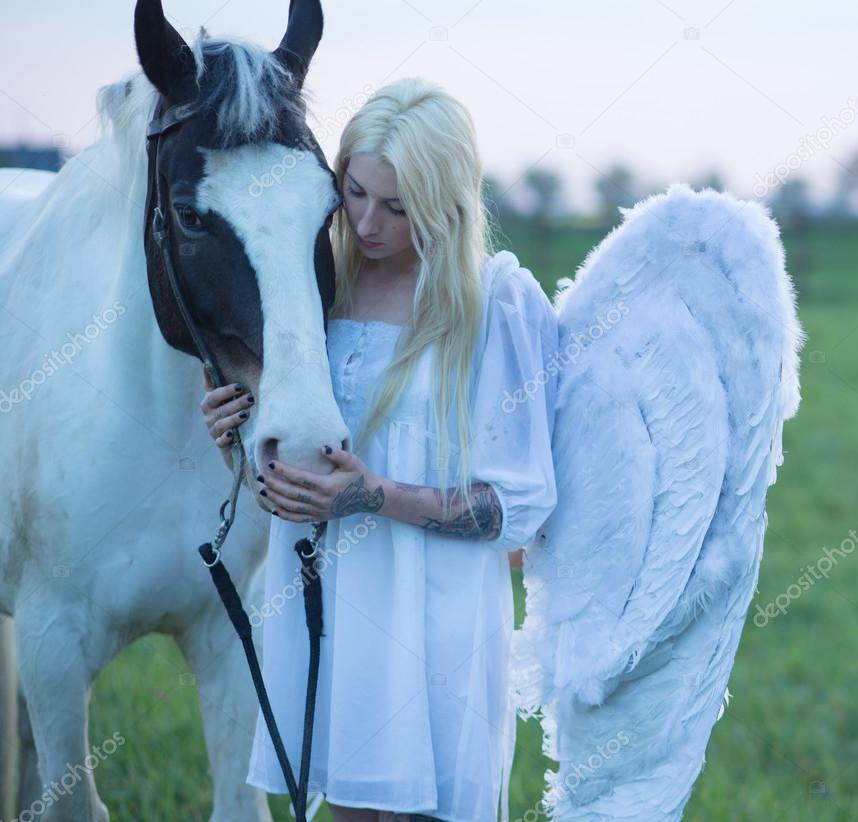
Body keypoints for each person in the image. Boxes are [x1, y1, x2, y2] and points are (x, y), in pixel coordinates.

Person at [199, 76, 558, 822]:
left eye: (396, 207)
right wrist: (236, 438)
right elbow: (289, 472)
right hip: (323, 605)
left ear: (445, 204)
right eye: (354, 191)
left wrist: (373, 496)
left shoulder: (490, 306)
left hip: (433, 620)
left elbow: (517, 507)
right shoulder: (309, 294)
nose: (366, 221)